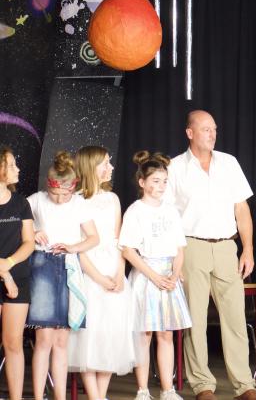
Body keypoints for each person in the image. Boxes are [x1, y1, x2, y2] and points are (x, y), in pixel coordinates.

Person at [165, 110, 256, 400]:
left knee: (235, 318)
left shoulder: (229, 163)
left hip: (226, 246)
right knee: (195, 320)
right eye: (206, 129)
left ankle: (244, 385)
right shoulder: (175, 167)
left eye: (214, 129)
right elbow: (167, 216)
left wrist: (248, 249)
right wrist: (174, 258)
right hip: (190, 246)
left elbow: (241, 209)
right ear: (190, 133)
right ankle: (202, 385)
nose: (212, 134)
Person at [28, 151, 99, 400]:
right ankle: (39, 396)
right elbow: (16, 228)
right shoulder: (36, 200)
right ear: (48, 186)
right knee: (44, 338)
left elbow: (94, 238)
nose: (59, 200)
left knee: (61, 340)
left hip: (69, 267)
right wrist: (33, 232)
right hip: (42, 267)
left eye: (64, 195)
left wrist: (72, 247)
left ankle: (60, 396)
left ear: (73, 187)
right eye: (54, 194)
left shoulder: (79, 204)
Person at [121, 151, 192, 400]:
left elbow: (180, 248)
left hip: (168, 277)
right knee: (144, 335)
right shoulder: (135, 211)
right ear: (142, 182)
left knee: (166, 334)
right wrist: (153, 276)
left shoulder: (171, 210)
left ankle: (167, 389)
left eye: (164, 181)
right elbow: (128, 250)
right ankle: (142, 390)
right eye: (155, 181)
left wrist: (174, 274)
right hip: (146, 275)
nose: (161, 186)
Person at [69, 146, 137, 400]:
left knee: (112, 335)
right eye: (106, 163)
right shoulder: (76, 201)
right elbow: (78, 247)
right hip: (89, 273)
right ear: (91, 167)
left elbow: (119, 239)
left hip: (113, 269)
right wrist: (98, 278)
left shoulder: (113, 199)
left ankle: (101, 394)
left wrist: (119, 274)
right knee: (89, 338)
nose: (111, 167)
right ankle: (95, 396)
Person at [0, 146, 36, 400]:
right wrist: (5, 275)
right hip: (8, 277)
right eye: (11, 165)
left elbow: (29, 242)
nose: (17, 169)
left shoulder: (21, 203)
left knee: (13, 342)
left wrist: (9, 265)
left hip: (18, 279)